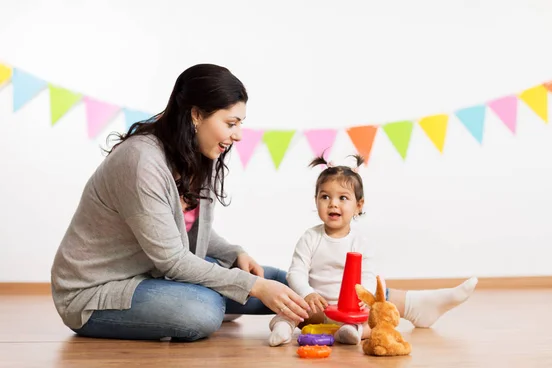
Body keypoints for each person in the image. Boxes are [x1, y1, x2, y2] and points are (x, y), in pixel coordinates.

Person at [51, 63, 476, 343]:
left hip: (155, 273)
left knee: (282, 279)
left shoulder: (191, 153)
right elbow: (171, 260)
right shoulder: (141, 162)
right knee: (202, 311)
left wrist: (232, 254)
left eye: (240, 124)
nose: (237, 135)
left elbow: (185, 228)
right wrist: (249, 287)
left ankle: (408, 305)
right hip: (96, 293)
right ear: (196, 114)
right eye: (231, 123)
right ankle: (340, 316)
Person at [267, 155, 478, 347]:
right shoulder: (310, 237)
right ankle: (283, 327)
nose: (333, 204)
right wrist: (308, 293)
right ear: (316, 200)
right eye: (325, 197)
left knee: (374, 315)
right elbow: (295, 272)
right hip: (316, 308)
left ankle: (350, 331)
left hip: (348, 310)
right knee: (293, 309)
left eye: (343, 198)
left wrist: (364, 297)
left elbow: (367, 275)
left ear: (359, 205)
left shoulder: (360, 242)